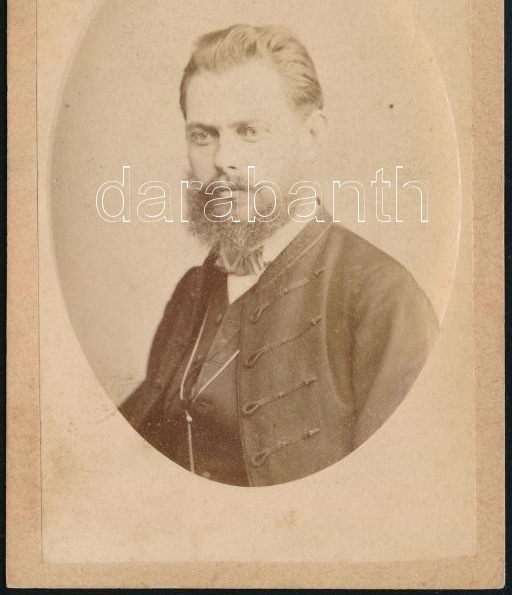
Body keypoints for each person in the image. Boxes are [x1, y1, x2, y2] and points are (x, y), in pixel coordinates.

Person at [120, 24, 439, 486]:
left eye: (249, 131)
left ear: (311, 136)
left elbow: (393, 492)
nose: (223, 159)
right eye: (203, 136)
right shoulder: (193, 289)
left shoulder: (382, 297)